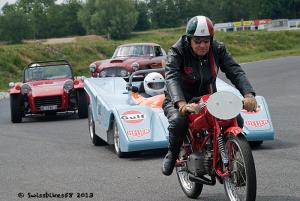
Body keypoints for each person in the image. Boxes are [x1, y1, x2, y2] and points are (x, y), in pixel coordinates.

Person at [161, 15, 257, 176]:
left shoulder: (218, 49)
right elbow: (172, 78)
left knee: (236, 119)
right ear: (189, 39)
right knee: (178, 122)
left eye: (206, 41)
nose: (202, 45)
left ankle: (231, 155)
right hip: (179, 99)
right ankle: (172, 153)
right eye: (197, 41)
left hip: (209, 98)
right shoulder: (177, 51)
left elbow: (235, 71)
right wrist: (181, 104)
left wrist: (249, 94)